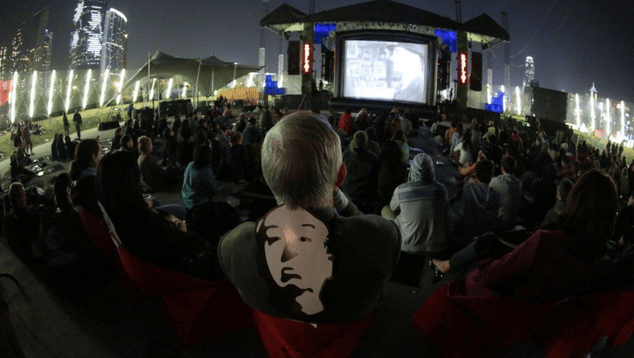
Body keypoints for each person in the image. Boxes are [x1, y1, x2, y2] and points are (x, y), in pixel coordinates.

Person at [218, 111, 400, 323]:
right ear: (340, 176)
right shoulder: (381, 238)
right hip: (351, 328)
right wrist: (344, 203)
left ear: (267, 178)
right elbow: (367, 225)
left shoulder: (234, 245)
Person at [97, 150, 221, 281]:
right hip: (179, 271)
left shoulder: (115, 208)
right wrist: (180, 226)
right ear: (129, 181)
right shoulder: (141, 221)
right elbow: (192, 245)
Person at [382, 153, 449, 255]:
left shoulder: (402, 190)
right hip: (436, 245)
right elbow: (445, 214)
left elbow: (393, 207)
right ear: (431, 170)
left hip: (407, 245)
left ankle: (390, 245)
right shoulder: (442, 190)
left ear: (412, 169)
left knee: (385, 209)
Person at [489, 156, 522, 231]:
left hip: (499, 224)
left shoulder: (496, 181)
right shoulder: (519, 183)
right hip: (512, 222)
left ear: (502, 168)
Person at [181, 144, 219, 209]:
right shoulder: (205, 171)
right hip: (197, 202)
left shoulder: (190, 164)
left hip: (186, 198)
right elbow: (214, 189)